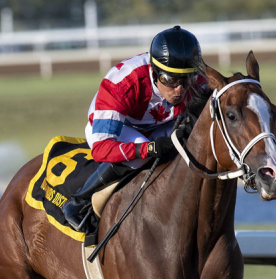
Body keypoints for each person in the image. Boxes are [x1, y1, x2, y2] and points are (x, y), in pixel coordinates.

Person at [62, 25, 205, 231]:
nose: (179, 89)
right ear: (153, 72)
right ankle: (79, 202)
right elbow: (102, 149)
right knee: (144, 154)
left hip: (158, 124)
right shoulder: (123, 83)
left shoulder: (197, 81)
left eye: (186, 79)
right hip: (115, 128)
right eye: (170, 80)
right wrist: (148, 149)